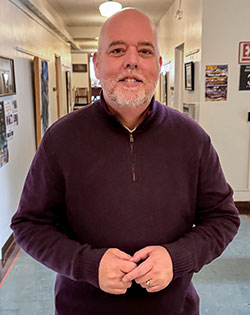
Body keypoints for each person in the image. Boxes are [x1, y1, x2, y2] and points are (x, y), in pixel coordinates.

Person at [11, 8, 240, 315]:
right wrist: (86, 264)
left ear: (158, 65)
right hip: (82, 308)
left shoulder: (192, 139)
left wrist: (177, 258)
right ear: (96, 63)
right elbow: (29, 224)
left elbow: (223, 218)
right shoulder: (61, 140)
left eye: (144, 50)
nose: (132, 60)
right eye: (117, 50)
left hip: (172, 308)